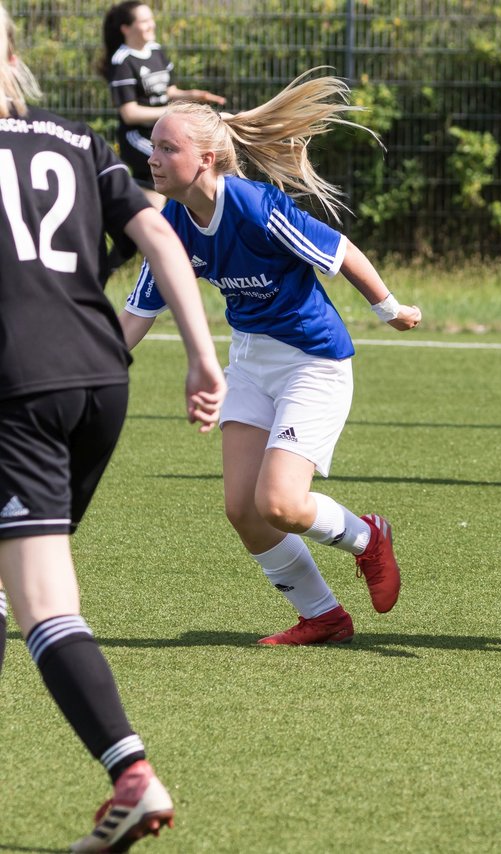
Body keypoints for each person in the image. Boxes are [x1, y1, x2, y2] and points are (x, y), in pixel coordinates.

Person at [0, 5, 226, 850]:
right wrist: (204, 356)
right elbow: (160, 237)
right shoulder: (74, 139)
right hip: (101, 379)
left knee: (43, 602)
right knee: (10, 579)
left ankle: (131, 774)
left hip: (20, 388)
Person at [119, 72, 422, 646]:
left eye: (166, 147)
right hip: (252, 361)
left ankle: (369, 538)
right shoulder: (168, 228)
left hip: (314, 362)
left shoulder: (257, 207)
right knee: (243, 508)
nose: (153, 157)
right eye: (153, 145)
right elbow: (136, 314)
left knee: (279, 502)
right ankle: (323, 616)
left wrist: (390, 309)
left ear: (207, 159)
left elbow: (341, 252)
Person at [98, 1, 225, 208]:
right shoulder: (122, 61)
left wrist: (194, 96)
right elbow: (129, 113)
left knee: (183, 162)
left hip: (164, 132)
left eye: (151, 19)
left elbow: (170, 92)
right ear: (126, 28)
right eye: (144, 21)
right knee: (177, 161)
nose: (151, 25)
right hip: (137, 137)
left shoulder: (156, 51)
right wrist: (170, 112)